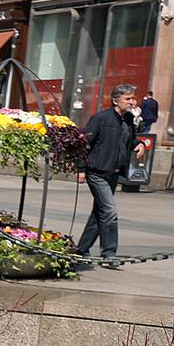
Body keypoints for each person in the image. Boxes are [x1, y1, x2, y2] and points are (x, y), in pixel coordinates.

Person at [76, 83, 145, 263]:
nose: (132, 102)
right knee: (110, 211)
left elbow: (129, 140)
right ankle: (109, 253)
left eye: (133, 98)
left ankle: (82, 249)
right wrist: (81, 169)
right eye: (128, 99)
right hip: (97, 171)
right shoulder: (101, 119)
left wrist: (139, 144)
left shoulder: (128, 120)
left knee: (99, 213)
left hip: (113, 173)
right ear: (116, 100)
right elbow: (83, 143)